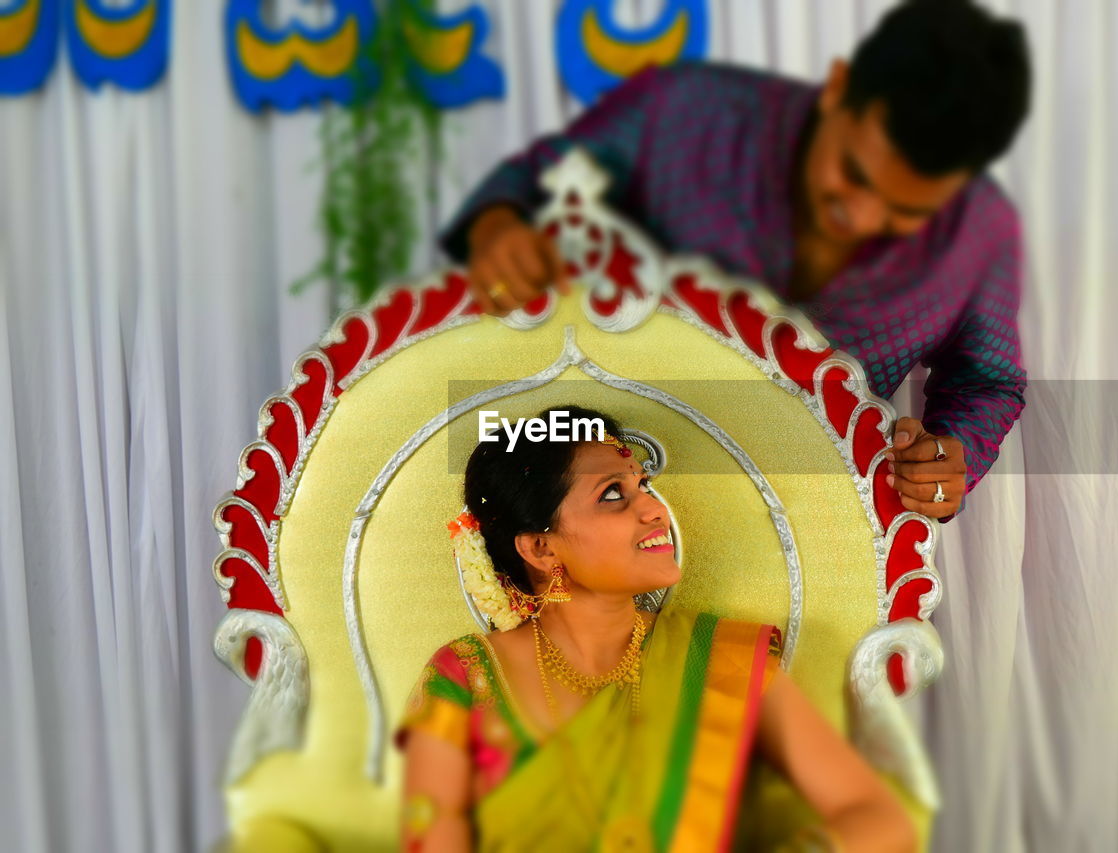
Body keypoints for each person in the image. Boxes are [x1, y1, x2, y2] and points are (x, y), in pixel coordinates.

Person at [439, 0, 1032, 521]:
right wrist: (501, 225)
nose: (862, 218)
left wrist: (943, 460)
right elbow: (532, 180)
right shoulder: (683, 112)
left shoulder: (981, 230)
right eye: (851, 173)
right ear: (836, 89)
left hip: (805, 526)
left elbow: (988, 382)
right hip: (604, 486)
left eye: (905, 212)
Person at [396, 407, 916, 852]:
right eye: (612, 494)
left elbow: (878, 818)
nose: (654, 510)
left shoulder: (722, 660)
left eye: (643, 485)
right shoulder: (463, 678)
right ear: (541, 547)